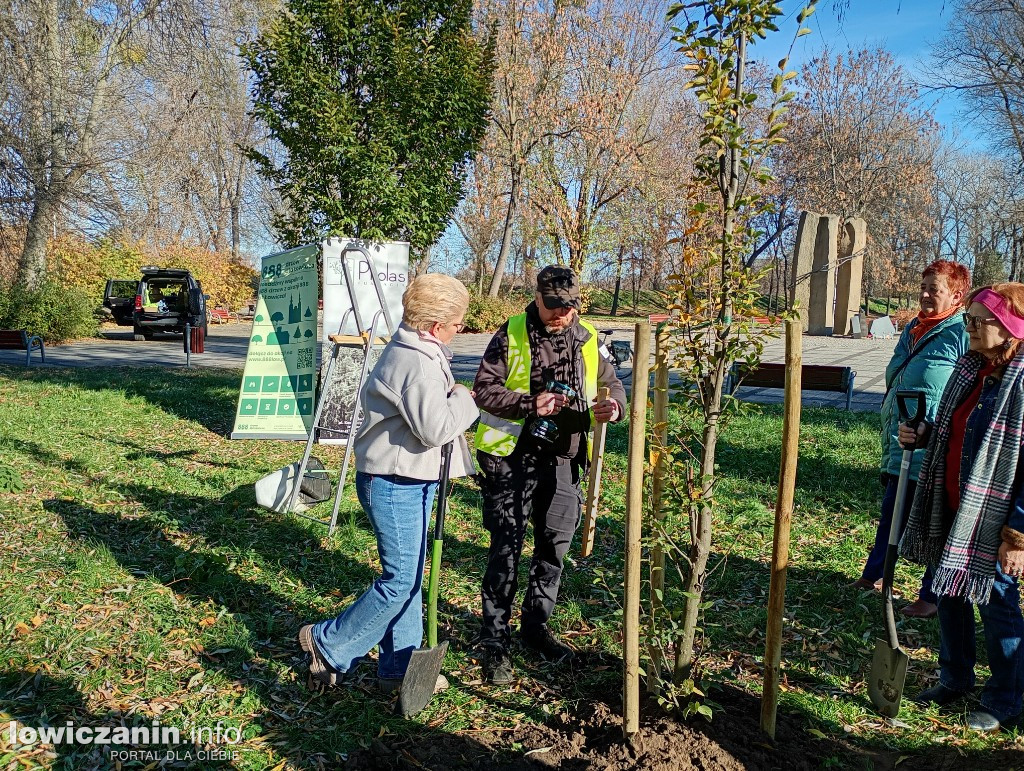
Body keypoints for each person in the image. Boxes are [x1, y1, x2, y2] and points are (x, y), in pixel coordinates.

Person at [298, 273, 479, 694]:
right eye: (457, 324)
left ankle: (398, 669)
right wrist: (464, 397)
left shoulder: (422, 350)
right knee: (400, 580)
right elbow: (436, 428)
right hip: (394, 482)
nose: (460, 330)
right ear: (436, 326)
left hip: (410, 478)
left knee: (410, 579)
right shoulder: (413, 361)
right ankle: (327, 642)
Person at [473, 265, 626, 684]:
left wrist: (613, 407)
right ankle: (494, 641)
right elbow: (484, 389)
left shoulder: (590, 338)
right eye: (552, 306)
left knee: (553, 549)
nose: (560, 314)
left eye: (568, 306)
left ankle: (535, 628)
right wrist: (528, 403)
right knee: (506, 549)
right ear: (537, 298)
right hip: (512, 457)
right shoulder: (512, 332)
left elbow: (612, 386)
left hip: (566, 460)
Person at [899, 283, 1024, 732]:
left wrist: (1017, 535)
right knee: (947, 593)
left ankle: (1006, 698)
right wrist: (925, 434)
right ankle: (955, 679)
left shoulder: (1022, 383)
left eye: (979, 320)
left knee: (997, 605)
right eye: (968, 318)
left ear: (1010, 328)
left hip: (993, 520)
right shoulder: (971, 369)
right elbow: (959, 432)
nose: (968, 326)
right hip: (952, 507)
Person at [851, 260, 969, 619]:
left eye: (935, 289)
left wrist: (937, 427)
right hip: (899, 438)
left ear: (956, 294)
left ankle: (931, 596)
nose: (925, 294)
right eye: (924, 287)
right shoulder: (913, 328)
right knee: (892, 511)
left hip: (933, 444)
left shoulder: (961, 331)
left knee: (936, 523)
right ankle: (874, 575)